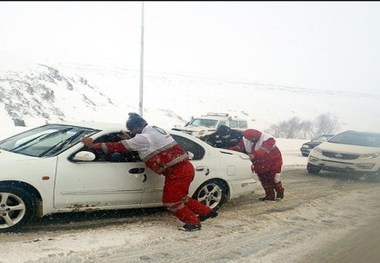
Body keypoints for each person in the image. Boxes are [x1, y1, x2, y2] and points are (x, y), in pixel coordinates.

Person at [81, 113, 218, 231]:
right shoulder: (153, 130)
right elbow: (147, 143)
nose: (132, 133)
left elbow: (119, 146)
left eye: (132, 130)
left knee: (171, 201)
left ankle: (193, 223)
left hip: (177, 172)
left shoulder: (143, 138)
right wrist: (131, 137)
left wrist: (93, 145)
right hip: (182, 169)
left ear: (137, 128)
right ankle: (206, 212)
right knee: (181, 198)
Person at [229, 129, 284, 201]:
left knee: (274, 178)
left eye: (252, 138)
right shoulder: (245, 140)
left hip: (273, 161)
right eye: (249, 139)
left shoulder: (268, 139)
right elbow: (239, 147)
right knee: (264, 179)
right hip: (259, 162)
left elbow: (264, 150)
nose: (251, 140)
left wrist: (253, 155)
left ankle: (280, 192)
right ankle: (269, 195)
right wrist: (228, 150)